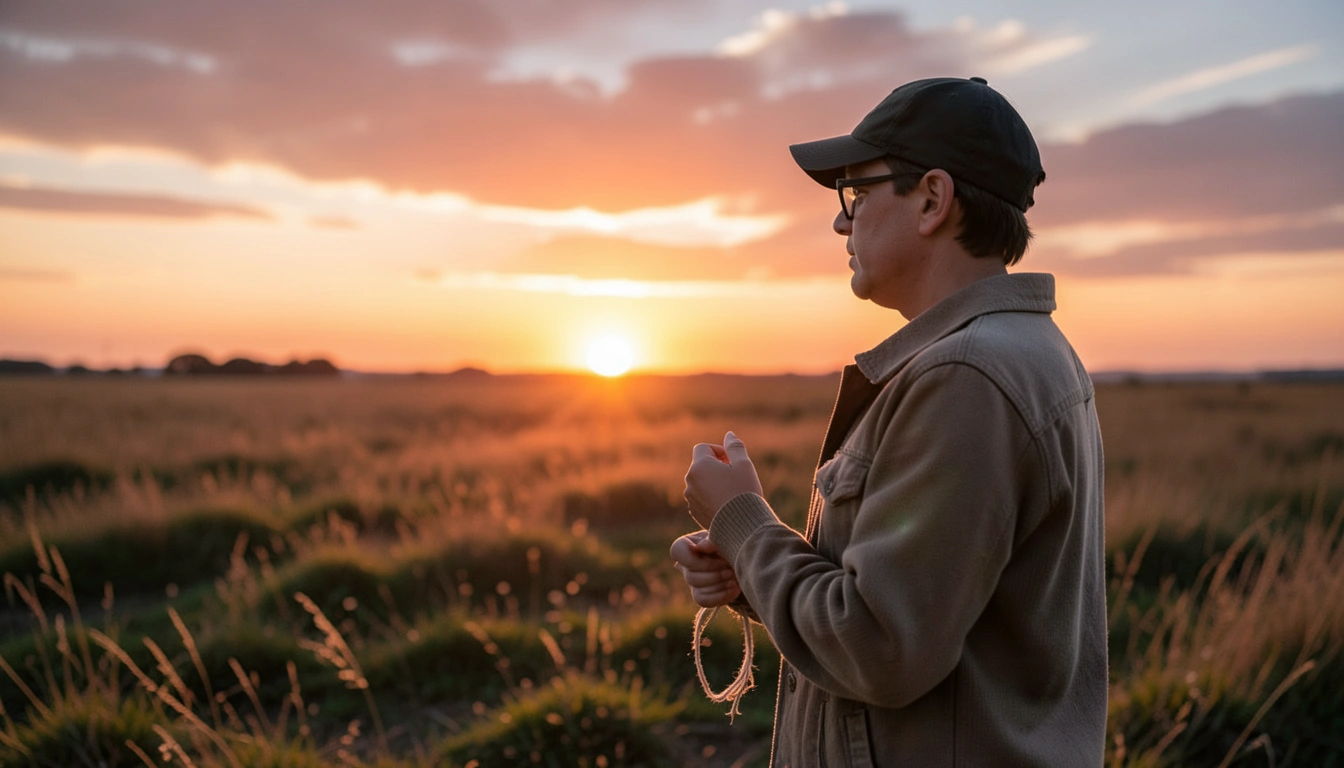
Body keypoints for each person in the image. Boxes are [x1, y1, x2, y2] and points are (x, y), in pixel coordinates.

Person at [670, 76, 1108, 766]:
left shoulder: (966, 377)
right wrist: (751, 572)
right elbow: (922, 605)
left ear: (932, 199)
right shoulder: (1017, 353)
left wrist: (744, 523)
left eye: (859, 192)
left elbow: (880, 647)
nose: (842, 222)